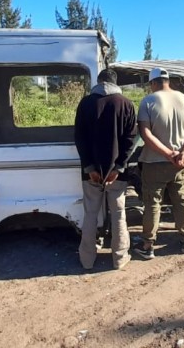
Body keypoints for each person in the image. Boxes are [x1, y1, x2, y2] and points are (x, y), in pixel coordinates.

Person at [133, 67, 184, 260]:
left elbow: (145, 134)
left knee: (153, 203)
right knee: (181, 200)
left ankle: (148, 245)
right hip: (182, 162)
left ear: (152, 83)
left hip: (154, 162)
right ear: (168, 80)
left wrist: (167, 153)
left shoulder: (148, 101)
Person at [74, 69, 137, 270]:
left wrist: (90, 167)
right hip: (116, 173)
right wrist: (118, 168)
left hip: (90, 171)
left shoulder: (85, 103)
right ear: (115, 83)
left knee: (90, 213)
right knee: (119, 213)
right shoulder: (126, 104)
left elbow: (79, 138)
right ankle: (119, 258)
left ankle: (87, 259)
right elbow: (130, 140)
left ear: (99, 82)